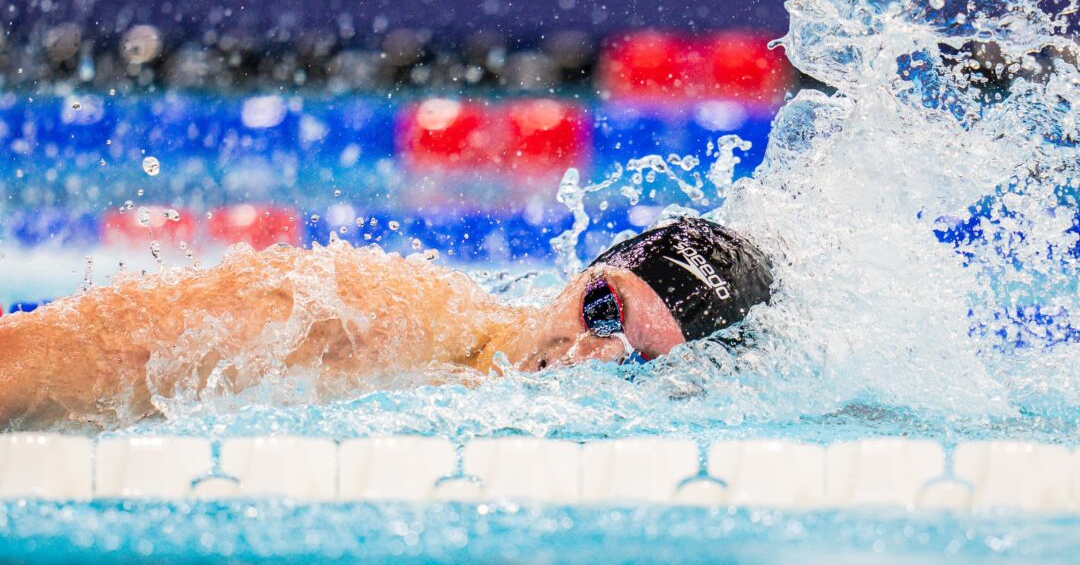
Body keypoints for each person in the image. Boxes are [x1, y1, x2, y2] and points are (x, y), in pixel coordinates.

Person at [0, 217, 772, 426]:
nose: (586, 355)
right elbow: (71, 357)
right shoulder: (357, 315)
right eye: (603, 310)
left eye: (639, 363)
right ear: (580, 275)